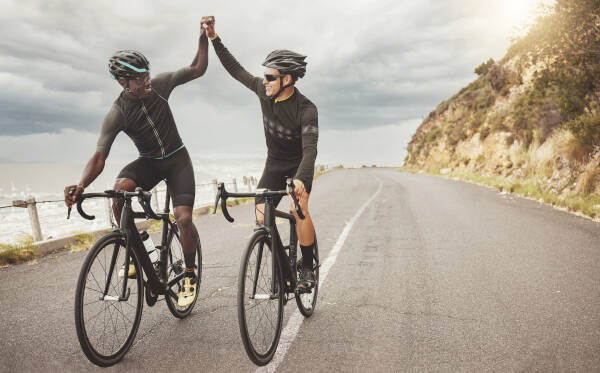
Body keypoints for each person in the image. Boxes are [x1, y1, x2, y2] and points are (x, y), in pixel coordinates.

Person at [64, 19, 211, 307]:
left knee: (182, 219)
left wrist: (203, 37)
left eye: (147, 74)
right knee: (119, 190)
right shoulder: (117, 113)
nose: (147, 80)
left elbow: (197, 68)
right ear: (123, 82)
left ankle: (190, 274)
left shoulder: (160, 85)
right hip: (150, 163)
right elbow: (99, 156)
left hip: (178, 161)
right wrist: (81, 185)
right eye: (140, 78)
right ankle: (136, 249)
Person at [202, 17, 318, 290]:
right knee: (260, 216)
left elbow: (310, 149)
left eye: (270, 77)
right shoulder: (262, 92)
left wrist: (300, 180)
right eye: (264, 76)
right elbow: (235, 69)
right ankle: (283, 266)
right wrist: (213, 37)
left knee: (298, 208)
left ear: (287, 79)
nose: (264, 81)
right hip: (275, 164)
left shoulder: (306, 109)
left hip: (300, 164)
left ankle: (308, 267)